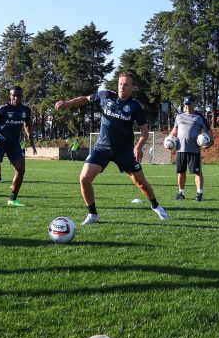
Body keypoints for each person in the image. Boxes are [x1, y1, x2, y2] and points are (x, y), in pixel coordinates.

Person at [54, 71, 170, 225]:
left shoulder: (135, 106)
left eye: (126, 85)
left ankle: (156, 206)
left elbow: (144, 131)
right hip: (102, 148)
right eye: (120, 84)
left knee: (141, 182)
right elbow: (85, 99)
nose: (122, 87)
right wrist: (67, 104)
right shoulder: (105, 95)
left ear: (132, 87)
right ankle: (92, 214)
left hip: (124, 151)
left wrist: (139, 147)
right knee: (84, 178)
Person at [169, 95, 214, 202]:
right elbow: (174, 131)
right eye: (186, 104)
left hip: (194, 149)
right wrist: (169, 140)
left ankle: (199, 193)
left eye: (189, 104)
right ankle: (181, 193)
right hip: (180, 149)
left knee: (197, 172)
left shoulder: (199, 117)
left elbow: (208, 130)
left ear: (194, 104)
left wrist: (211, 141)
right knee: (181, 172)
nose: (187, 106)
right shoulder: (179, 116)